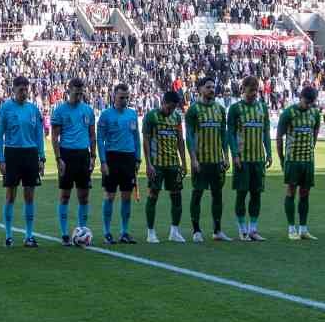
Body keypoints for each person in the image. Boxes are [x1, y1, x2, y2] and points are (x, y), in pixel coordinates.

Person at [0, 76, 46, 248]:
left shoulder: (33, 109)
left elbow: (39, 136)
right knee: (10, 195)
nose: (24, 92)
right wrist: (1, 159)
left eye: (26, 89)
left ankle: (29, 236)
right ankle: (8, 235)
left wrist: (42, 157)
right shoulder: (5, 109)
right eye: (21, 90)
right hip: (12, 154)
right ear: (14, 90)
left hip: (30, 154)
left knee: (29, 196)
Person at [50, 77, 97, 244]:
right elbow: (55, 137)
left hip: (83, 155)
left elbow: (92, 135)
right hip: (67, 155)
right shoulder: (60, 111)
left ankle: (82, 229)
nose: (78, 96)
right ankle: (64, 234)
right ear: (68, 90)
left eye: (81, 93)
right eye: (76, 93)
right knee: (65, 196)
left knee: (84, 196)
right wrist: (58, 158)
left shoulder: (88, 111)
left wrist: (93, 156)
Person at [184, 77, 230, 242]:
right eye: (208, 87)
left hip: (217, 160)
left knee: (217, 195)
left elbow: (223, 134)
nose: (212, 89)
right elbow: (189, 135)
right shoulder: (193, 110)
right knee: (197, 193)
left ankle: (217, 231)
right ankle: (196, 231)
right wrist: (193, 159)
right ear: (200, 89)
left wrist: (226, 156)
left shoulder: (220, 109)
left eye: (213, 87)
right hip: (201, 160)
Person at [226, 75, 271, 241]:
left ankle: (253, 229)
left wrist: (269, 153)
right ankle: (242, 228)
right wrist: (235, 155)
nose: (254, 94)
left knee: (256, 194)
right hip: (243, 158)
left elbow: (266, 131)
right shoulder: (235, 109)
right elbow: (230, 133)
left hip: (258, 158)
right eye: (251, 90)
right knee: (241, 193)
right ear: (243, 90)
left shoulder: (262, 107)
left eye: (256, 91)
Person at [142, 90, 189, 243]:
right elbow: (146, 141)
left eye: (174, 108)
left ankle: (174, 231)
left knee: (177, 197)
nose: (171, 110)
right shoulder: (151, 117)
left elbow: (180, 141)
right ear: (163, 103)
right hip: (157, 165)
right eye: (169, 107)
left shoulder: (176, 117)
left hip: (173, 164)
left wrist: (184, 162)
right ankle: (150, 232)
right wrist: (148, 164)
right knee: (153, 196)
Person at [95, 82, 139, 245]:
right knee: (110, 196)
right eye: (122, 97)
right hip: (112, 158)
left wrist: (138, 158)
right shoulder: (106, 115)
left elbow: (136, 138)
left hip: (128, 158)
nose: (125, 100)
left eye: (127, 97)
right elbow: (100, 139)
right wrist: (103, 161)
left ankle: (124, 232)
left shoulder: (132, 114)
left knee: (126, 196)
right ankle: (107, 232)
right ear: (114, 96)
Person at [276, 85, 322, 241]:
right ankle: (291, 229)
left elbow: (315, 131)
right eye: (306, 102)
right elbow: (279, 137)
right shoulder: (288, 113)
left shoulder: (315, 113)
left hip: (308, 160)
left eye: (311, 103)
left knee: (305, 194)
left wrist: (311, 148)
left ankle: (303, 229)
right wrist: (282, 159)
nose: (308, 105)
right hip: (293, 159)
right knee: (291, 191)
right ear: (300, 97)